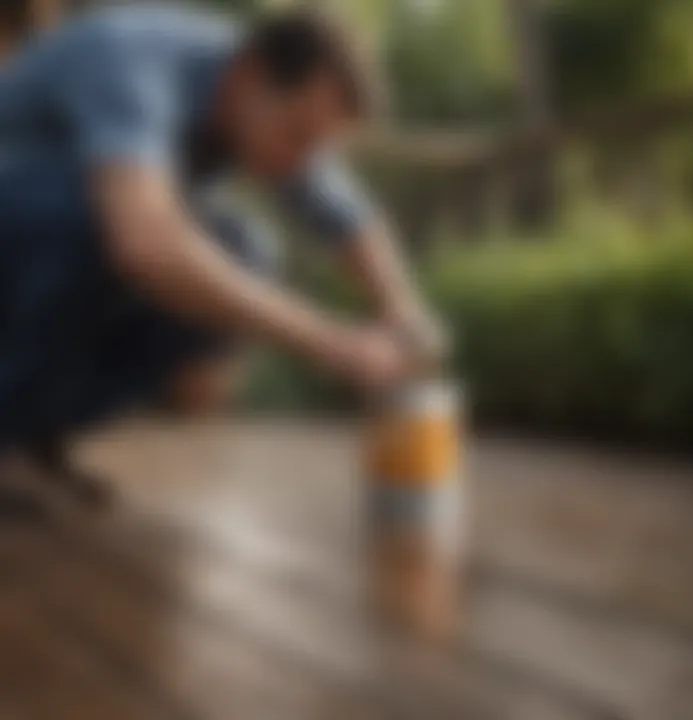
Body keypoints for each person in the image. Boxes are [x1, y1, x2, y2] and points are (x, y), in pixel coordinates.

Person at [0, 3, 444, 512]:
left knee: (244, 252)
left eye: (317, 147)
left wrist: (404, 313)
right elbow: (145, 244)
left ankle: (32, 433)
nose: (304, 161)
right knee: (99, 216)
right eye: (297, 134)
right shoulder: (131, 58)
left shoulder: (262, 100)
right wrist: (334, 344)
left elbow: (349, 218)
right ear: (246, 76)